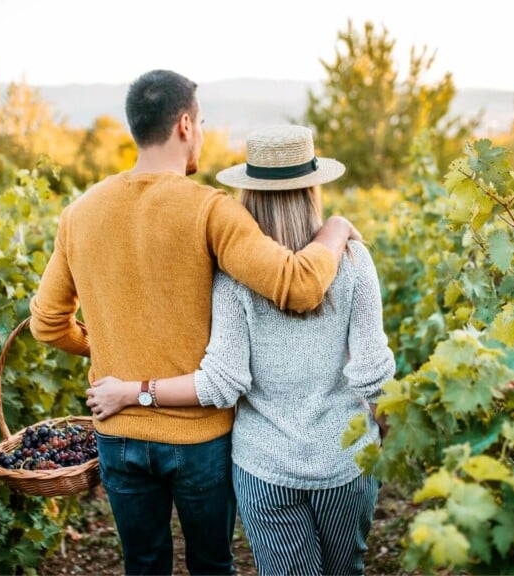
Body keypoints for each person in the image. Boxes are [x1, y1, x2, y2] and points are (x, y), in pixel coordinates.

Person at [28, 71, 361, 575]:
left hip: (118, 428)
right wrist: (335, 232)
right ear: (185, 124)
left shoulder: (79, 213)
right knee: (211, 565)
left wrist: (105, 347)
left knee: (143, 565)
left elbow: (48, 324)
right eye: (202, 122)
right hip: (199, 438)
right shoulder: (210, 210)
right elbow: (299, 285)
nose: (202, 132)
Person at [86, 124, 396, 575]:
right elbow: (372, 373)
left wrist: (134, 392)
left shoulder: (233, 277)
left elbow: (222, 382)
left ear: (247, 194)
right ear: (312, 189)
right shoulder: (351, 260)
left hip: (264, 469)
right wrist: (381, 432)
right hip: (345, 462)